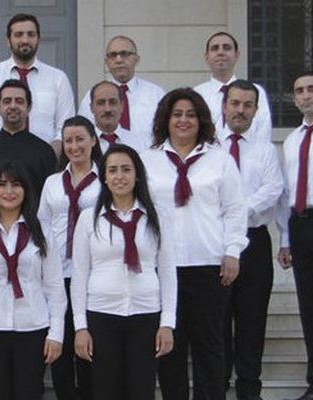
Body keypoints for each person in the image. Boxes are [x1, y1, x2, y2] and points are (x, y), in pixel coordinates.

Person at [140, 88, 248, 400]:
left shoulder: (220, 160)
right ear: (165, 119)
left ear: (200, 120)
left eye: (190, 114)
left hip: (208, 267)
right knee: (170, 349)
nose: (183, 120)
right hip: (164, 269)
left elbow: (235, 209)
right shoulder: (148, 161)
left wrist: (232, 251)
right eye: (177, 114)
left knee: (210, 348)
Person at [71, 144, 176, 400]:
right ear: (104, 177)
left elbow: (167, 272)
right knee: (106, 390)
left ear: (137, 174)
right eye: (113, 170)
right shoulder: (89, 218)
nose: (120, 176)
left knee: (141, 389)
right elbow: (79, 275)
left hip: (145, 314)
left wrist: (167, 323)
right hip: (102, 315)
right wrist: (80, 327)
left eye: (126, 170)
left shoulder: (156, 217)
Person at [0, 161, 67, 400]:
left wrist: (56, 333)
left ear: (26, 190)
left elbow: (55, 287)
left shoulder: (41, 231)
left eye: (16, 185)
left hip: (33, 327)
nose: (9, 192)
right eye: (2, 185)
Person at [219, 80, 283, 400]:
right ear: (224, 106)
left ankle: (248, 390)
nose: (240, 110)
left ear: (256, 110)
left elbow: (272, 190)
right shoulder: (211, 146)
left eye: (247, 105)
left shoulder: (265, 149)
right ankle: (217, 386)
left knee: (252, 318)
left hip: (253, 241)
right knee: (217, 320)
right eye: (235, 103)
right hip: (216, 244)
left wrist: (236, 212)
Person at [38, 115, 102, 400]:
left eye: (80, 139)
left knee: (90, 348)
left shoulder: (105, 180)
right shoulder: (52, 182)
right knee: (60, 349)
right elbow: (41, 225)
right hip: (58, 274)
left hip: (92, 276)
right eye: (68, 141)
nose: (74, 146)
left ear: (93, 141)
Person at [0, 13, 75, 153]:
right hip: (0, 160)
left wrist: (51, 154)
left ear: (38, 39)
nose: (25, 40)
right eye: (19, 34)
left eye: (31, 34)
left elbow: (65, 125)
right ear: (8, 40)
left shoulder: (58, 79)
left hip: (46, 160)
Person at [277, 71, 313, 400]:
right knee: (308, 305)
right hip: (302, 225)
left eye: (311, 89)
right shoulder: (292, 141)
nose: (306, 95)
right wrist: (285, 239)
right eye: (299, 90)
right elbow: (287, 194)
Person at [78, 36, 164, 146]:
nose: (118, 60)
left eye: (124, 54)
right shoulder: (93, 96)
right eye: (113, 55)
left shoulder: (155, 95)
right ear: (106, 62)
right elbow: (83, 134)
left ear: (137, 59)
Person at [0, 79, 57, 199]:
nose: (13, 106)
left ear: (29, 108)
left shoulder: (44, 151)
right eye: (7, 101)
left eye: (19, 101)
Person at [194, 32, 272, 142]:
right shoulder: (196, 95)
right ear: (207, 57)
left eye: (227, 48)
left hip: (248, 156)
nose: (220, 52)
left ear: (236, 55)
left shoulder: (255, 91)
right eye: (215, 48)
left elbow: (263, 133)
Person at [89, 81, 147, 152]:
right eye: (101, 103)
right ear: (91, 108)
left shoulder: (139, 144)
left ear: (122, 106)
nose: (107, 109)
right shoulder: (83, 145)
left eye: (113, 102)